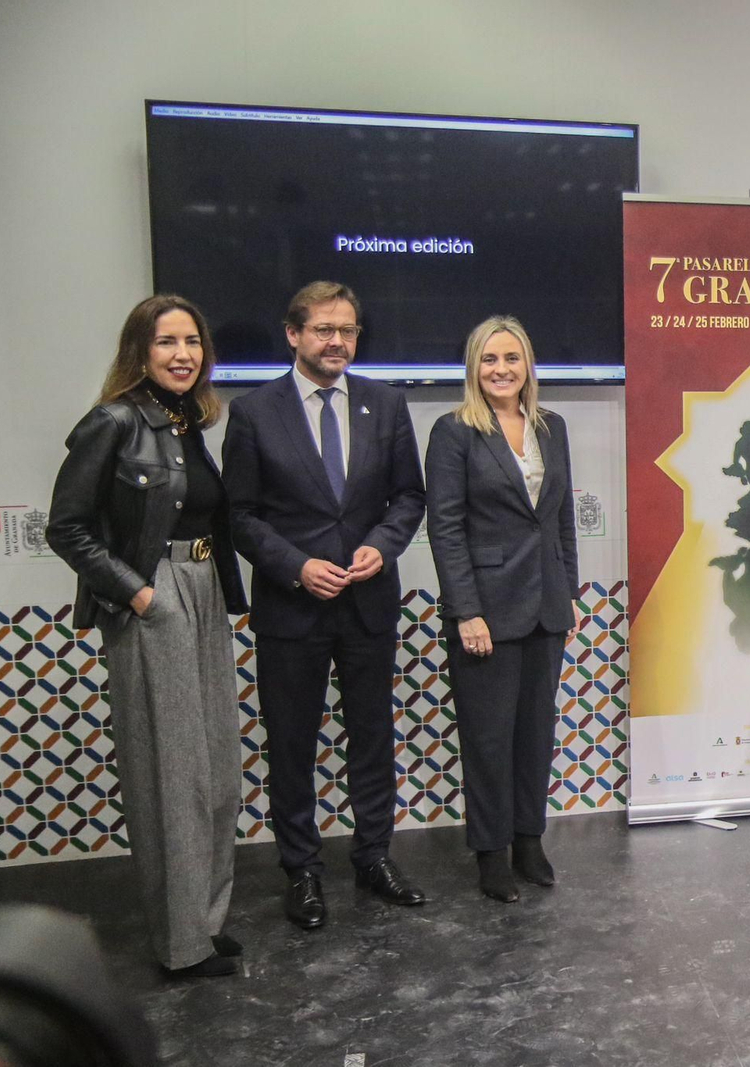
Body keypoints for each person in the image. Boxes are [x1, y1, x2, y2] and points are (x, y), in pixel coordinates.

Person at [45, 295, 248, 977]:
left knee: (217, 770)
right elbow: (66, 526)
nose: (183, 354)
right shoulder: (112, 421)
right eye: (167, 342)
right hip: (152, 600)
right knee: (173, 775)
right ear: (140, 350)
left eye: (192, 340)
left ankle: (203, 921)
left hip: (205, 595)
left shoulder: (186, 420)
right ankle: (180, 944)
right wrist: (138, 593)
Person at [222, 281, 427, 929]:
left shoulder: (385, 404)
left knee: (373, 736)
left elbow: (409, 498)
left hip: (368, 602)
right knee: (291, 743)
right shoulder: (254, 412)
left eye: (348, 330)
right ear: (293, 334)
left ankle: (373, 855)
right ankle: (302, 869)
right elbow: (241, 516)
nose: (337, 341)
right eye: (323, 329)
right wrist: (295, 565)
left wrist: (382, 546)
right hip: (292, 608)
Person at [423, 316, 578, 903]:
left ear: (527, 365)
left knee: (535, 734)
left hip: (546, 605)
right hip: (485, 610)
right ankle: (490, 852)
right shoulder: (454, 432)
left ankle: (528, 840)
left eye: (511, 358)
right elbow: (446, 527)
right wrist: (466, 611)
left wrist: (568, 589)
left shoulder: (551, 427)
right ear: (473, 368)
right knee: (488, 738)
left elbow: (560, 516)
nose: (501, 369)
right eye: (489, 360)